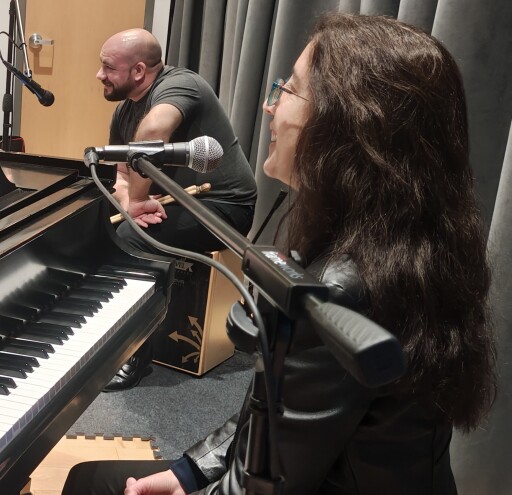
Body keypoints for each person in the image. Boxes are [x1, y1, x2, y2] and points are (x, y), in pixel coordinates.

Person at [64, 12, 496, 494]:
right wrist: (187, 470)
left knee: (90, 484)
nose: (269, 108)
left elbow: (266, 484)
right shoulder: (402, 245)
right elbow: (273, 417)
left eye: (287, 90)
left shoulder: (342, 289)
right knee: (91, 478)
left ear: (347, 123)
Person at [97, 28, 257, 391]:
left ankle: (132, 353)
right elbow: (121, 175)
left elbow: (154, 130)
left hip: (223, 204)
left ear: (138, 71)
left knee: (129, 240)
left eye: (108, 67)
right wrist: (130, 203)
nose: (99, 75)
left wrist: (135, 207)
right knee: (101, 226)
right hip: (174, 202)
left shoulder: (181, 84)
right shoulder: (124, 112)